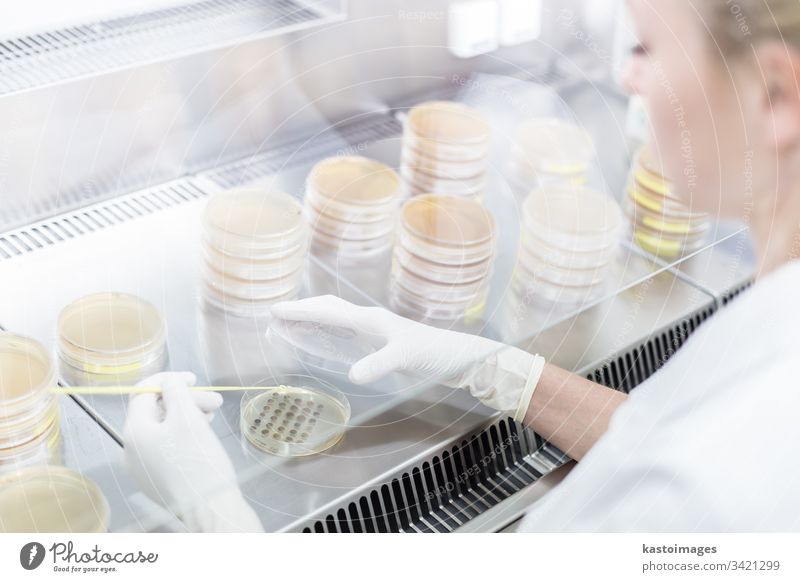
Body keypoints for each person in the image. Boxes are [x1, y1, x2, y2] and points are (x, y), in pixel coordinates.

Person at [124, 0, 800, 532]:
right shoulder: (774, 322)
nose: (628, 76)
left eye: (647, 46)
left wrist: (215, 519)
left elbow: (681, 477)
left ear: (775, 95)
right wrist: (485, 366)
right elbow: (653, 441)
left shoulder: (709, 498)